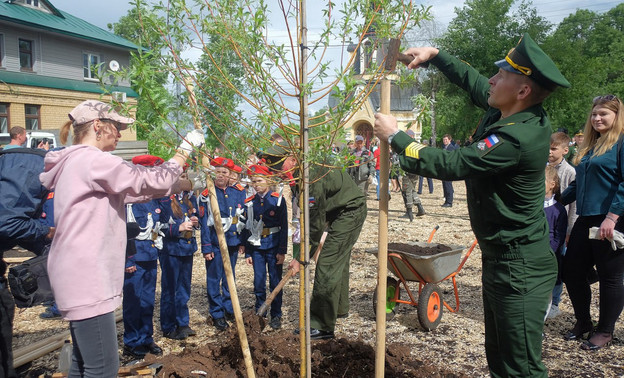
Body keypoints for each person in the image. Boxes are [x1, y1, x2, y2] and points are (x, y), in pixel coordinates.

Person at [374, 33, 570, 377]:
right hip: (503, 259)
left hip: (520, 266)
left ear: (522, 90)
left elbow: (452, 165)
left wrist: (396, 137)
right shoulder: (511, 109)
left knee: (520, 366)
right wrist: (434, 55)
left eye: (501, 76)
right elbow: (473, 81)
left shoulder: (516, 137)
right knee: (499, 356)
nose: (491, 80)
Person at [39, 100, 204, 377]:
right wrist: (183, 150)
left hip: (77, 272)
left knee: (83, 363)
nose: (120, 134)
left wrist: (187, 184)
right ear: (97, 126)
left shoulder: (78, 162)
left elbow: (138, 192)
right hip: (87, 277)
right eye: (116, 127)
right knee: (103, 368)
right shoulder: (93, 160)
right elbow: (146, 181)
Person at [261, 141, 367, 340]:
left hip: (350, 212)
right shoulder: (302, 171)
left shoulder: (312, 176)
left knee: (327, 263)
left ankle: (322, 326)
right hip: (337, 211)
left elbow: (315, 225)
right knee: (338, 261)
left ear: (293, 159)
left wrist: (302, 256)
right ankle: (338, 309)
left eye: (279, 167)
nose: (277, 172)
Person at [560, 95, 624, 351]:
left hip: (610, 219)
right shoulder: (591, 145)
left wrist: (612, 217)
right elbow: (579, 183)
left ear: (617, 117)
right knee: (572, 271)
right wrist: (556, 199)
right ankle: (583, 322)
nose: (597, 118)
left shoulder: (620, 144)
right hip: (586, 217)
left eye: (604, 114)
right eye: (594, 114)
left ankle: (605, 331)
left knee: (611, 276)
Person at [0, 137, 55, 377]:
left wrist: (44, 246)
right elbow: (9, 222)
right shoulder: (29, 167)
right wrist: (47, 232)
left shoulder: (18, 167)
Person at [122, 155, 169, 358]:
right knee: (133, 301)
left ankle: (146, 337)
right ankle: (132, 342)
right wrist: (128, 259)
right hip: (135, 258)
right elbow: (123, 230)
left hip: (150, 255)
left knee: (148, 300)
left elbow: (161, 222)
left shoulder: (154, 198)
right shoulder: (129, 198)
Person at [198, 157, 247, 331]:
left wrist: (242, 242)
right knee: (214, 279)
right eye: (217, 172)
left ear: (230, 175)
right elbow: (204, 223)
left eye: (224, 172)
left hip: (232, 241)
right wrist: (206, 247)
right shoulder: (207, 195)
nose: (220, 175)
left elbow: (242, 217)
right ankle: (217, 313)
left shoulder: (238, 192)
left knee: (229, 276)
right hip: (215, 243)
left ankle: (228, 308)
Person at [244, 164, 288, 329]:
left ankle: (276, 314)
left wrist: (282, 250)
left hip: (273, 245)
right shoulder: (250, 202)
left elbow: (284, 227)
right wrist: (248, 252)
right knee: (259, 281)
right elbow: (248, 228)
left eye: (260, 180)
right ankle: (260, 312)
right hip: (257, 248)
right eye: (254, 181)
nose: (256, 184)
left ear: (268, 181)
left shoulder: (277, 199)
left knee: (275, 281)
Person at [159, 185, 198, 340]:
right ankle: (168, 326)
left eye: (184, 176)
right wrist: (177, 228)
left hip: (186, 248)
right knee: (170, 289)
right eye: (179, 176)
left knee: (184, 288)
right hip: (171, 249)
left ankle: (182, 322)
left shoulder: (189, 198)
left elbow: (196, 218)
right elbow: (158, 225)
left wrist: (195, 222)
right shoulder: (163, 199)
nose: (182, 179)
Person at [546, 132, 577, 318]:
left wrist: (569, 231)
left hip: (560, 226)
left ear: (565, 150)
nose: (549, 152)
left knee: (558, 266)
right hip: (546, 225)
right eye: (547, 148)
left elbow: (573, 205)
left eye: (553, 148)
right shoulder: (542, 168)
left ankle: (555, 302)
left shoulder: (570, 172)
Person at [544, 166, 567, 320]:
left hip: (550, 254)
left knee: (552, 281)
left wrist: (548, 251)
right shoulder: (532, 206)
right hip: (533, 253)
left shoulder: (558, 210)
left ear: (552, 184)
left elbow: (558, 235)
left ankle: (553, 305)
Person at [400, 130, 425, 220]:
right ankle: (420, 207)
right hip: (416, 172)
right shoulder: (418, 145)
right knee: (412, 190)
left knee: (407, 191)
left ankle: (409, 212)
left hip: (408, 171)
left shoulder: (407, 146)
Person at [440, 134, 458, 207]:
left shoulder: (451, 148)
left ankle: (449, 202)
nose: (444, 141)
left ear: (450, 140)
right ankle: (447, 200)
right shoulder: (444, 147)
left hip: (449, 169)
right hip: (445, 169)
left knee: (448, 185)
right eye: (444, 140)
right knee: (445, 185)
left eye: (446, 140)